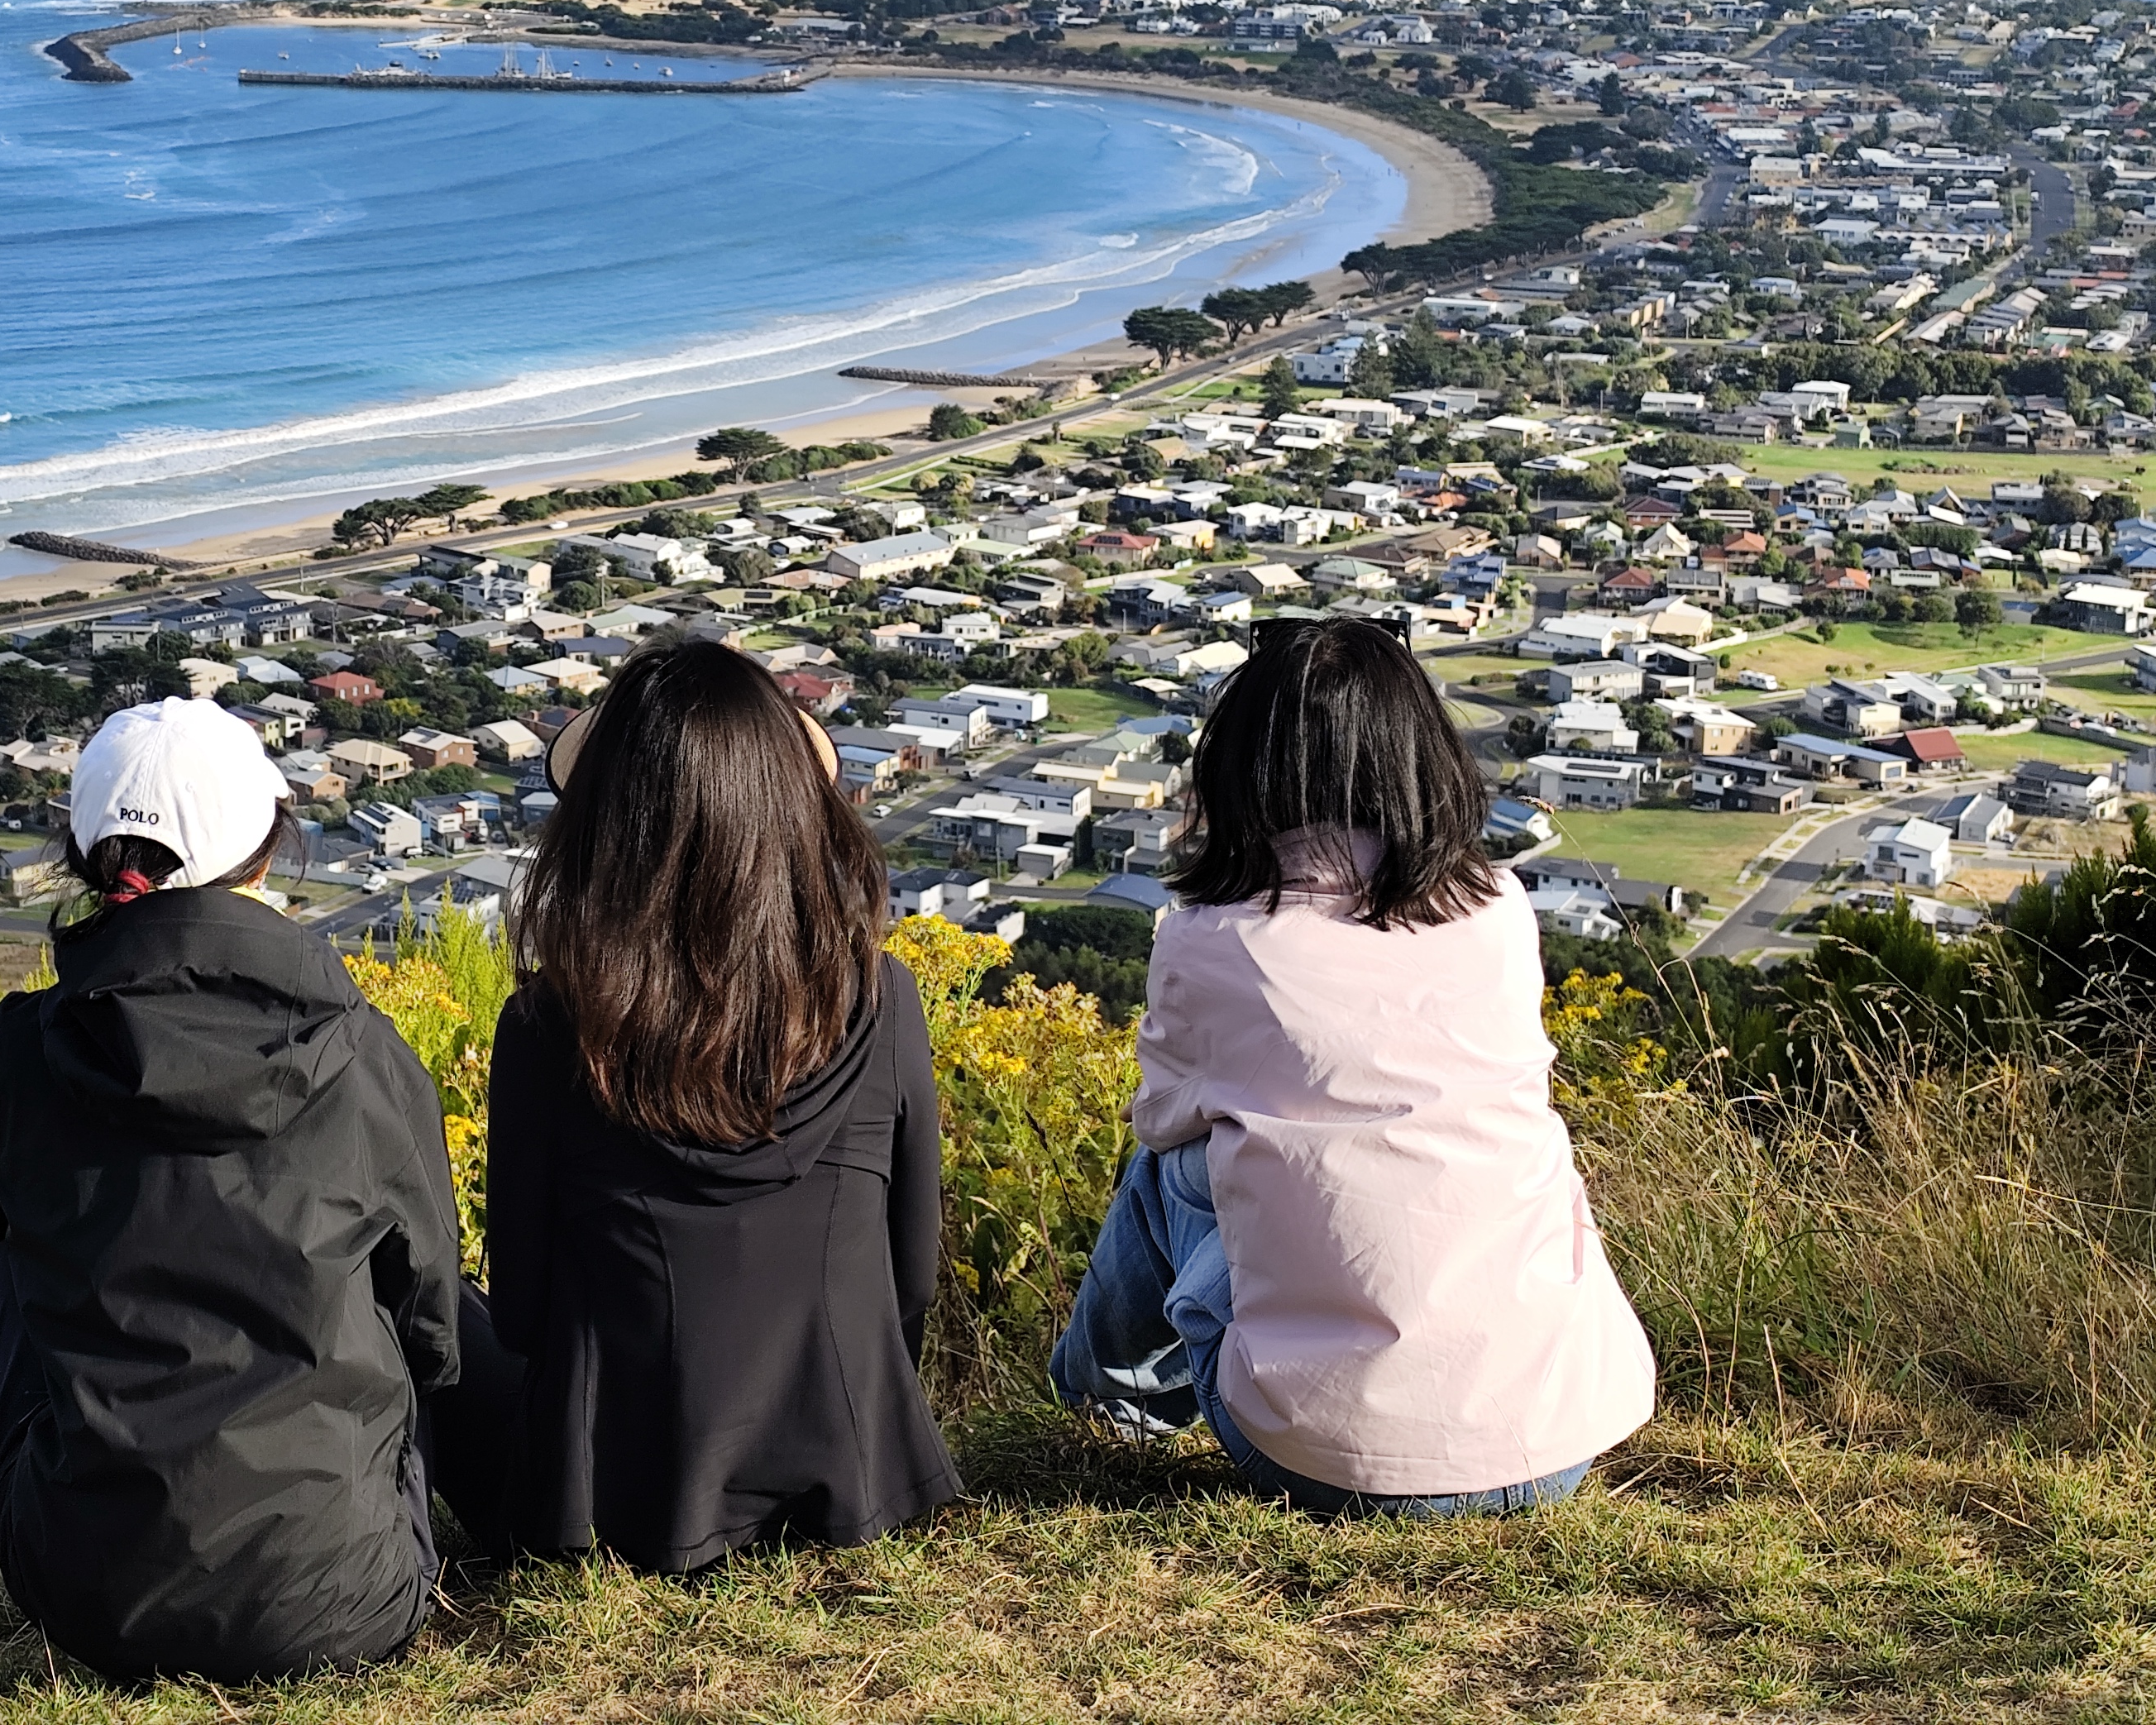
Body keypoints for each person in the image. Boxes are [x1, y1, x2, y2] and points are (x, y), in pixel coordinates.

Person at [1049, 614, 1656, 1516]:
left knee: (1171, 1168)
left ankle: (1110, 1410)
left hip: (1325, 1459)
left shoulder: (1216, 940)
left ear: (1242, 767)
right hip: (1559, 1432)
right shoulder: (1496, 909)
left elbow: (1164, 1118)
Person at [0, 696, 464, 1682]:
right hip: (349, 1600)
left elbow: (8, 1238)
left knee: (7, 1262)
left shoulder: (18, 1054)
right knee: (398, 1279)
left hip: (84, 1603)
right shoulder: (362, 1056)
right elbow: (431, 1322)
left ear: (86, 859)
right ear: (269, 852)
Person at [457, 640, 960, 1572]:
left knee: (441, 1313)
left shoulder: (546, 1030)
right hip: (853, 1465)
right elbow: (913, 1278)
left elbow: (522, 1313)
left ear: (608, 825)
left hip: (616, 1496)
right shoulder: (882, 998)